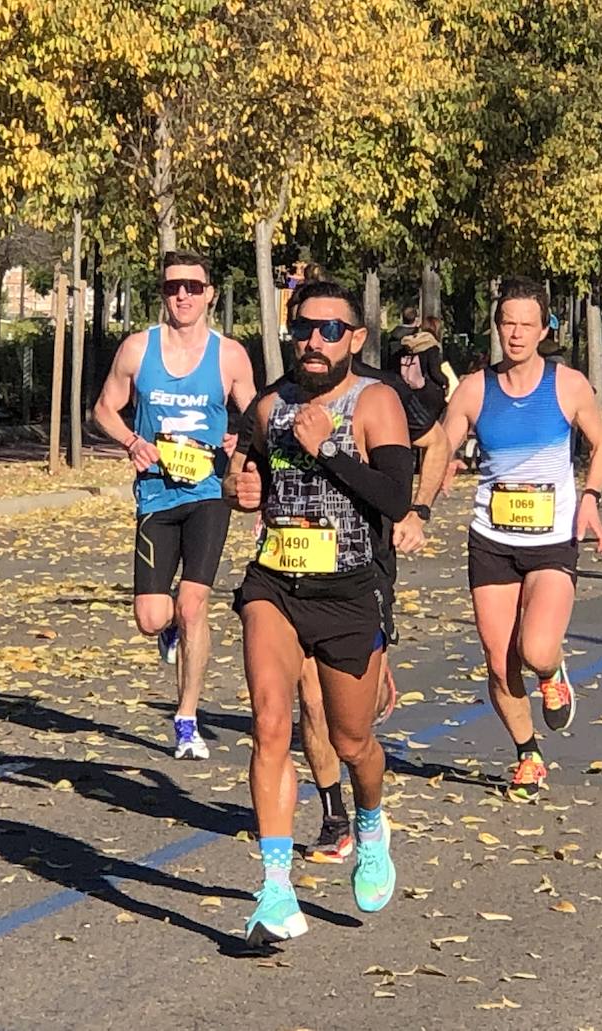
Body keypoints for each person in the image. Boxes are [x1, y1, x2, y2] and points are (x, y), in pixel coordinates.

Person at [235, 280, 451, 865]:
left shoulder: (375, 401)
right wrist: (240, 488)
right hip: (274, 582)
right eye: (304, 327)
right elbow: (246, 475)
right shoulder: (270, 404)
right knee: (272, 722)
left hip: (351, 588)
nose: (314, 340)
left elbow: (392, 497)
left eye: (330, 330)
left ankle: (371, 822)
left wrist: (329, 449)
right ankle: (275, 888)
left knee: (352, 739)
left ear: (354, 339)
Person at [440, 276, 602, 803]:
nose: (515, 334)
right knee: (498, 662)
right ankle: (527, 755)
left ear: (543, 330)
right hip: (491, 539)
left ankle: (552, 669)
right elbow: (440, 445)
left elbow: (601, 446)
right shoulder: (475, 388)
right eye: (507, 324)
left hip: (552, 538)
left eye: (526, 325)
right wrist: (435, 471)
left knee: (535, 649)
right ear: (497, 328)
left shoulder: (567, 385)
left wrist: (591, 498)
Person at [93, 250, 257, 760]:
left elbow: (256, 416)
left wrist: (238, 444)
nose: (181, 295)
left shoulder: (229, 355)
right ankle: (166, 631)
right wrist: (131, 442)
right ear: (162, 295)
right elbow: (104, 408)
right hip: (156, 496)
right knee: (151, 616)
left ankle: (186, 717)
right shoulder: (138, 350)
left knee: (194, 605)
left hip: (208, 492)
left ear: (209, 293)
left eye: (191, 285)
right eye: (171, 287)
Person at [392, 314, 451, 425]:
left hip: (411, 389)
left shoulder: (411, 344)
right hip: (430, 391)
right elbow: (434, 372)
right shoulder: (431, 346)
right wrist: (446, 381)